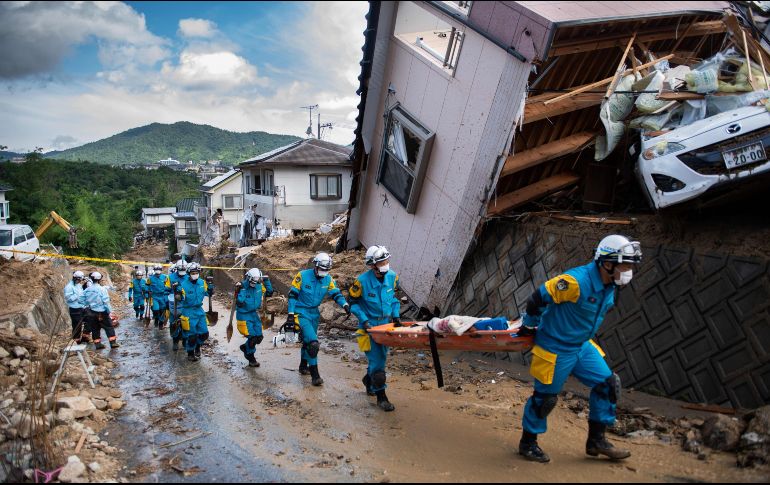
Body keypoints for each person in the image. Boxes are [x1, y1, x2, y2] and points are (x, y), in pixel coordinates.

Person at [517, 235, 643, 463]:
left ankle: (596, 441)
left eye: (630, 265)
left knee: (608, 384)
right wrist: (529, 324)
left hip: (581, 346)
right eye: (625, 265)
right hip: (554, 347)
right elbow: (538, 298)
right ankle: (528, 442)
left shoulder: (610, 285)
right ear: (607, 263)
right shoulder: (575, 282)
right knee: (544, 399)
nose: (629, 270)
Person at [349, 245, 401, 411]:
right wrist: (364, 320)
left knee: (381, 358)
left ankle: (368, 380)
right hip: (368, 328)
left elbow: (393, 299)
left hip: (386, 325)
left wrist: (396, 315)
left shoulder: (392, 277)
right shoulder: (362, 282)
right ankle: (381, 397)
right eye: (382, 261)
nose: (386, 263)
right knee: (378, 364)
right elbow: (353, 304)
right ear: (372, 265)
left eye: (387, 260)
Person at [285, 252, 349, 386]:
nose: (324, 272)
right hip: (300, 312)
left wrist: (345, 304)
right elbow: (292, 296)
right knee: (313, 344)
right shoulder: (302, 276)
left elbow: (336, 293)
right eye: (322, 269)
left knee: (307, 342)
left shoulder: (328, 280)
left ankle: (303, 367)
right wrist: (290, 314)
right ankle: (315, 375)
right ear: (316, 265)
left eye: (327, 270)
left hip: (314, 313)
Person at [176, 262, 214, 362]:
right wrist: (178, 293)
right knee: (191, 336)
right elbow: (181, 298)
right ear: (188, 273)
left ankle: (197, 345)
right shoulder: (183, 285)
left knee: (204, 334)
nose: (195, 274)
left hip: (199, 311)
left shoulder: (202, 282)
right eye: (193, 272)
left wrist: (210, 288)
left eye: (196, 272)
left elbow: (208, 293)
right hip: (188, 311)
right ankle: (190, 352)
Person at [235, 268, 274, 367]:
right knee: (252, 338)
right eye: (252, 281)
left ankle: (245, 347)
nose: (254, 284)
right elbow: (239, 303)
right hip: (243, 315)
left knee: (259, 337)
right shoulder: (242, 286)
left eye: (256, 281)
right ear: (248, 278)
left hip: (254, 314)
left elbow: (269, 292)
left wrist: (267, 281)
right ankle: (251, 358)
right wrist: (242, 289)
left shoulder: (259, 286)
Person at [84, 271, 119, 349]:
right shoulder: (102, 289)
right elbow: (106, 302)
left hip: (91, 312)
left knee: (95, 328)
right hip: (102, 312)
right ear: (99, 279)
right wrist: (110, 311)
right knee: (108, 326)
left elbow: (83, 301)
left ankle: (98, 344)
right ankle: (113, 342)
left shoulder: (87, 290)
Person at [167, 260, 188, 351]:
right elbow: (166, 290)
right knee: (173, 322)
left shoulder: (188, 278)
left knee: (185, 323)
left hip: (185, 303)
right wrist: (166, 303)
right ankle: (175, 341)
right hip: (173, 303)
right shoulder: (170, 277)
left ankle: (184, 340)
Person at [64, 270, 89, 343]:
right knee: (77, 325)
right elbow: (68, 299)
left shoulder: (78, 285)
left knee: (89, 320)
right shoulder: (69, 287)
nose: (80, 281)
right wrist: (77, 295)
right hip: (75, 309)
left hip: (82, 307)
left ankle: (85, 336)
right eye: (79, 280)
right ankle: (76, 340)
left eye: (80, 280)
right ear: (75, 278)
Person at [146, 263, 171, 329]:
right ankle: (156, 318)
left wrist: (169, 290)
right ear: (154, 270)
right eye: (156, 269)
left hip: (162, 296)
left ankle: (161, 322)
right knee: (156, 310)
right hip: (155, 297)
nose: (158, 270)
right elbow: (147, 285)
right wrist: (148, 290)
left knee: (162, 310)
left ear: (161, 270)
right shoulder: (150, 278)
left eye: (159, 269)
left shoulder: (165, 277)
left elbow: (168, 286)